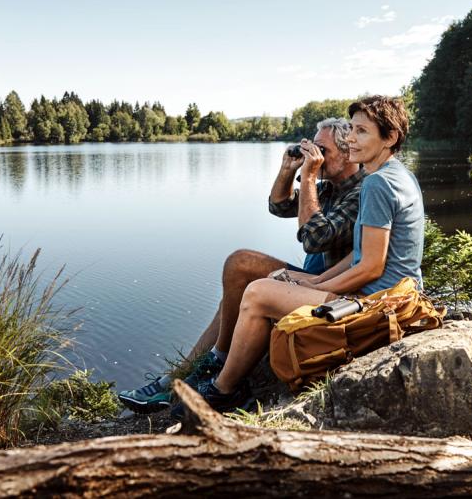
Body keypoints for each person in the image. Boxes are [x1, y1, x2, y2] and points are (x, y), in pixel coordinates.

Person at [171, 95, 424, 417]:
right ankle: (223, 375)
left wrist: (315, 289)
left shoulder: (376, 184)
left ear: (390, 138)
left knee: (259, 293)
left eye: (361, 132)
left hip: (378, 302)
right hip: (389, 294)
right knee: (273, 280)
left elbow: (372, 266)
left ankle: (224, 391)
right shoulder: (396, 175)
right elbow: (363, 254)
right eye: (351, 131)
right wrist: (313, 279)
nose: (351, 140)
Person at [119, 118, 364, 412]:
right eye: (313, 149)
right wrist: (288, 171)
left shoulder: (360, 192)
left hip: (331, 287)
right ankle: (180, 376)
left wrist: (309, 178)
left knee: (241, 264)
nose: (316, 156)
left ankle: (213, 366)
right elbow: (279, 206)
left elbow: (314, 240)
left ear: (347, 152)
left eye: (322, 149)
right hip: (316, 278)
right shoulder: (330, 188)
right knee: (235, 287)